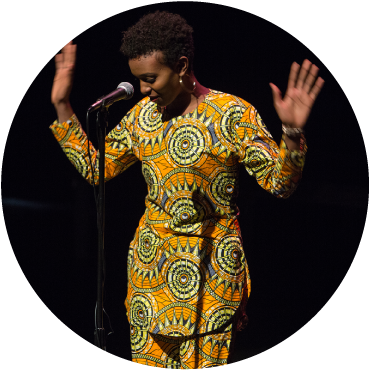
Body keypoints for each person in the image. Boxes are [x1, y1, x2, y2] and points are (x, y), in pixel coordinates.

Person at [50, 10, 324, 368]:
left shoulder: (231, 114)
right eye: (139, 80)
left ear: (181, 66)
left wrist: (291, 134)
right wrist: (61, 104)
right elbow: (95, 168)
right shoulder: (142, 116)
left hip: (213, 274)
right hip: (152, 272)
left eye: (151, 79)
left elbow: (281, 183)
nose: (144, 90)